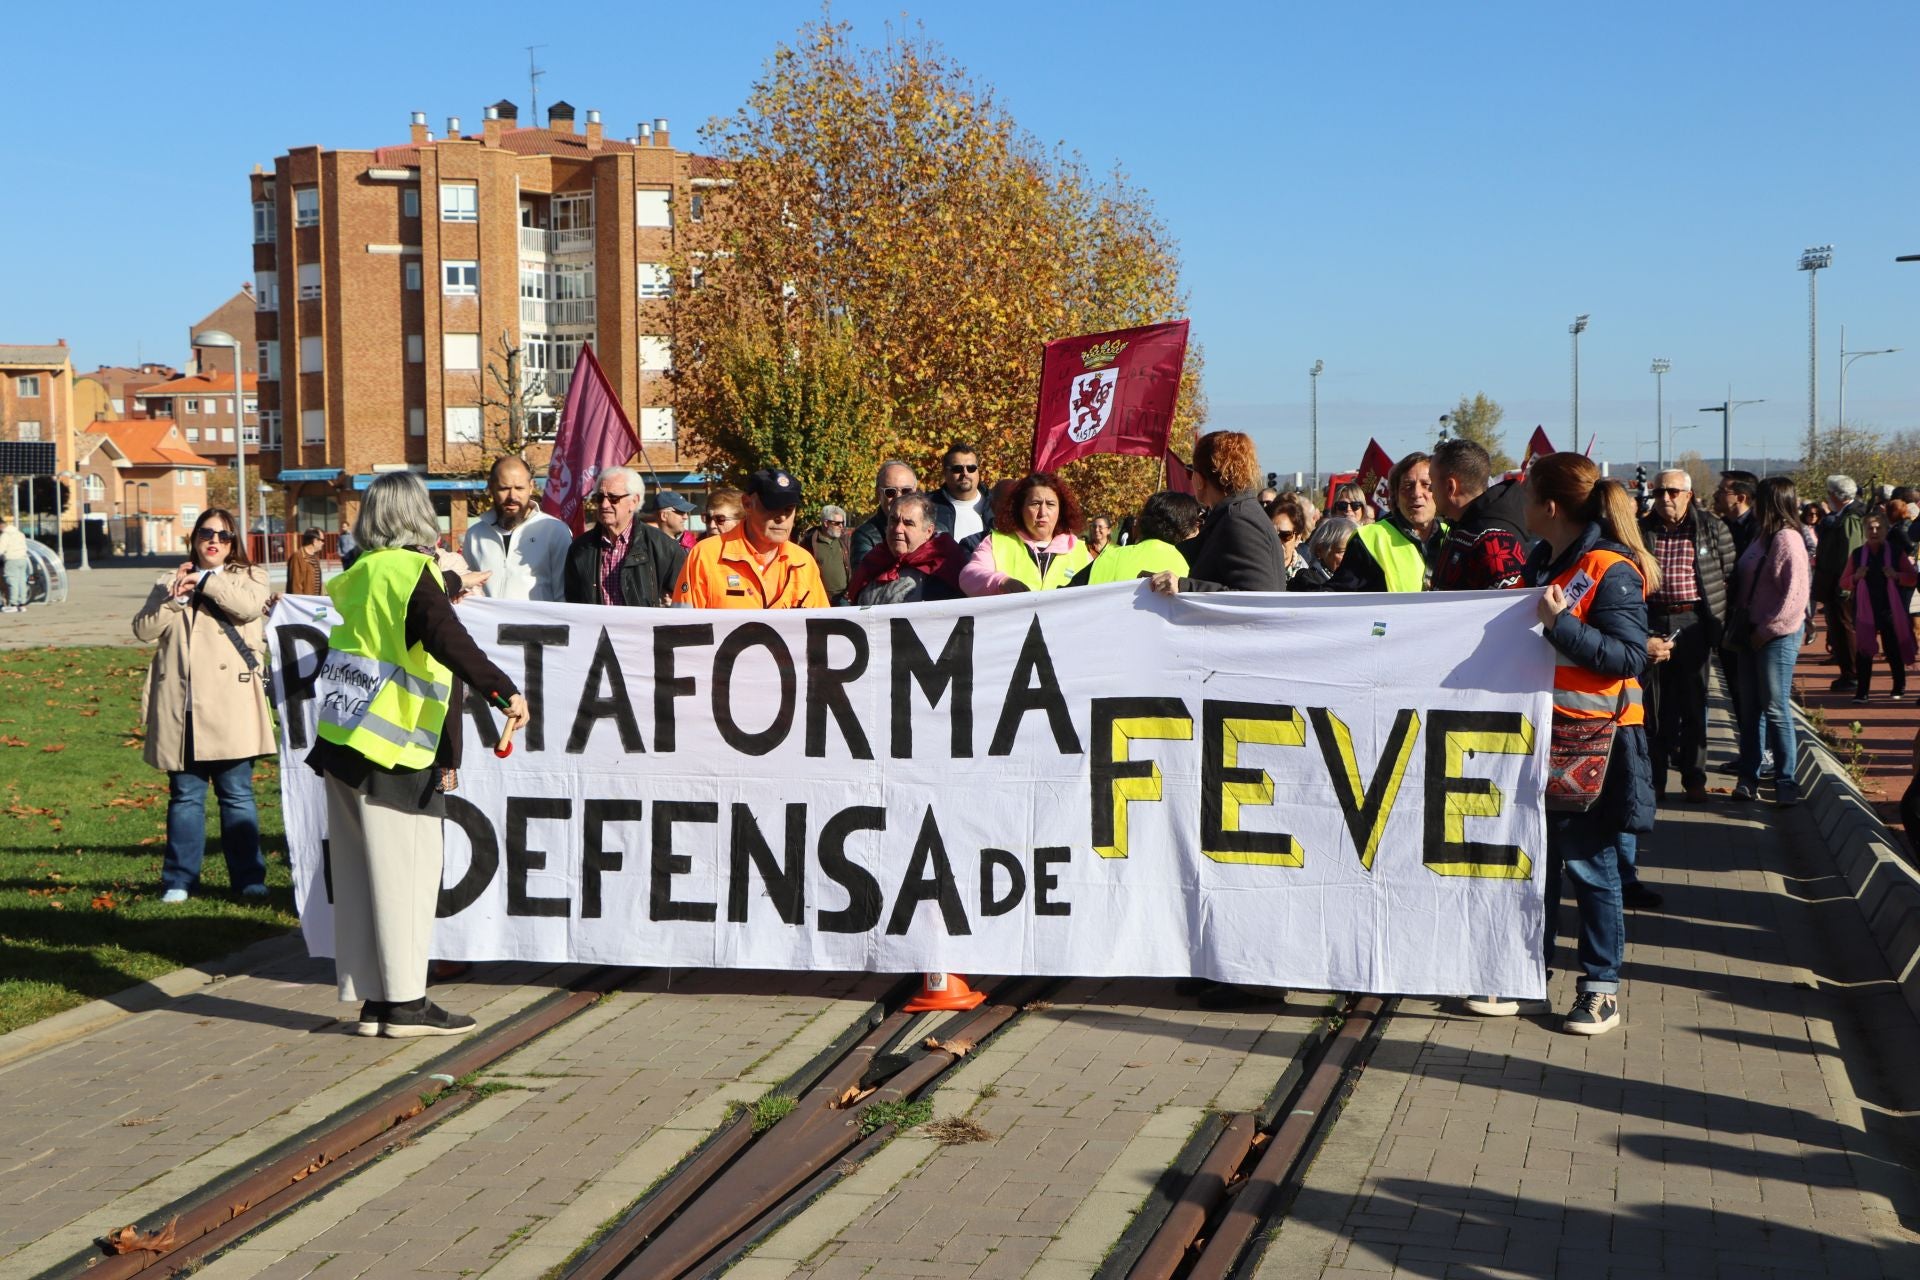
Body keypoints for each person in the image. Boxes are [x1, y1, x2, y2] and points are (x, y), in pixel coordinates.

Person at [307, 472, 528, 1037]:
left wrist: (445, 589)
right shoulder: (413, 573)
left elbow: (394, 632)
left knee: (361, 879)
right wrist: (505, 692)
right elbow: (445, 640)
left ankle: (374, 1001)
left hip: (343, 745)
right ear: (417, 516)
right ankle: (407, 1004)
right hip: (397, 749)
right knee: (407, 875)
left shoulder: (359, 572)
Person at [1470, 452, 1656, 1035]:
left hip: (1598, 743)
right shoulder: (1546, 560)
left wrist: (1561, 626)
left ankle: (1600, 988)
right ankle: (1530, 976)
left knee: (1592, 867)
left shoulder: (1609, 568)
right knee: (1541, 864)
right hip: (1545, 735)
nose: (1522, 509)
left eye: (1528, 498)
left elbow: (1630, 657)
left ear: (1550, 506)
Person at [131, 507, 275, 903]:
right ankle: (178, 881)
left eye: (224, 536)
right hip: (181, 707)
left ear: (233, 545)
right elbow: (143, 630)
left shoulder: (251, 577)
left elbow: (247, 609)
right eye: (206, 533)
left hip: (231, 705)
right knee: (185, 798)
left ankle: (249, 878)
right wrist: (174, 599)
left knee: (237, 795)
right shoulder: (168, 580)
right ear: (194, 538)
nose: (214, 541)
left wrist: (207, 581)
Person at [1637, 470, 1737, 803]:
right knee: (1657, 706)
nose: (1665, 498)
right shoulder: (1643, 529)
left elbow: (1729, 574)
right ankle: (1657, 780)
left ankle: (1695, 779)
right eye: (1660, 491)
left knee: (1695, 705)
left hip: (1693, 622)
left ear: (1688, 495)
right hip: (1654, 620)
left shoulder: (1710, 527)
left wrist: (1718, 624)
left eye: (1673, 492)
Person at [1730, 476, 1812, 804]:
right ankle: (1749, 776)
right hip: (1751, 633)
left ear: (1768, 502)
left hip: (1776, 636)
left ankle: (1785, 781)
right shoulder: (1761, 537)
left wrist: (1766, 631)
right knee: (1750, 710)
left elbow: (1795, 597)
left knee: (1775, 708)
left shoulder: (1787, 539)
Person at [1145, 431, 1286, 595]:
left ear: (1199, 479)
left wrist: (1183, 587)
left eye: (1190, 472)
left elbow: (1256, 597)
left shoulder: (1239, 520)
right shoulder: (1238, 513)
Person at [674, 468, 830, 608]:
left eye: (789, 509)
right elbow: (682, 629)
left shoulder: (803, 562)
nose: (782, 517)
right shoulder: (705, 556)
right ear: (747, 504)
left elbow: (822, 628)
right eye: (771, 507)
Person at [562, 466, 686, 607]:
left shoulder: (664, 548)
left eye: (613, 498)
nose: (604, 504)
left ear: (634, 501)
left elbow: (682, 602)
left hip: (641, 629)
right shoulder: (580, 549)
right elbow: (572, 604)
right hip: (595, 629)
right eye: (600, 497)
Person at [959, 471, 1092, 594]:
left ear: (1060, 510)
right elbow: (968, 577)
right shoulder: (996, 542)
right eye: (1035, 503)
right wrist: (1001, 582)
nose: (1043, 512)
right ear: (1020, 509)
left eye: (1050, 504)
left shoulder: (1079, 551)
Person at [1333, 451, 1448, 592]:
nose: (1417, 493)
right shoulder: (1367, 539)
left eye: (1426, 485)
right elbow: (1338, 599)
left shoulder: (1454, 537)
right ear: (1395, 496)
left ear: (1440, 492)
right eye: (1407, 486)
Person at [462, 456, 570, 601]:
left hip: (541, 623)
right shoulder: (475, 535)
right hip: (489, 623)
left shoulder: (555, 531)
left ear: (531, 487)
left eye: (519, 488)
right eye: (504, 488)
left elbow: (564, 595)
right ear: (491, 487)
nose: (512, 496)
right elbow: (469, 591)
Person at [1429, 439, 1530, 591]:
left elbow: (1509, 608)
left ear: (1451, 487)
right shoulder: (1461, 524)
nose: (1430, 488)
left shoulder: (1495, 542)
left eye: (1431, 480)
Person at [1839, 511, 1918, 702]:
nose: (1874, 531)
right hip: (1865, 608)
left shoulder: (1896, 552)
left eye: (1878, 528)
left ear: (1885, 529)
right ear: (1865, 530)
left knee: (1892, 647)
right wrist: (1856, 577)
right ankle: (1862, 691)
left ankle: (1898, 685)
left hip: (1890, 607)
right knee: (1864, 650)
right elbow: (1844, 582)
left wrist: (1897, 575)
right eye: (1870, 528)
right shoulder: (1857, 554)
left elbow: (1913, 578)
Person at [846, 493, 968, 605]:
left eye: (908, 523)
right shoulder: (874, 560)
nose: (898, 529)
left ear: (928, 531)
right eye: (893, 520)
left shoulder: (944, 567)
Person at [1069, 490, 1201, 586]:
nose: (1198, 531)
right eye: (1196, 525)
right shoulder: (1192, 572)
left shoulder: (1109, 557)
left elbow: (1064, 598)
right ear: (1185, 529)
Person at [1812, 475, 1868, 690]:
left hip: (1843, 585)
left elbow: (1849, 554)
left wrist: (1845, 587)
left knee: (1845, 628)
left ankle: (1852, 674)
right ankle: (1848, 673)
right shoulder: (1844, 516)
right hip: (1837, 582)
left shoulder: (1851, 518)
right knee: (1839, 628)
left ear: (1835, 495)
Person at [850, 460, 921, 564]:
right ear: (878, 494)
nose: (899, 498)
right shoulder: (865, 537)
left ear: (916, 492)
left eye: (906, 491)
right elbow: (865, 577)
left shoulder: (936, 529)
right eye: (890, 492)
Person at [928, 441, 993, 547]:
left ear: (978, 471)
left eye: (971, 468)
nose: (965, 473)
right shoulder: (927, 506)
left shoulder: (997, 506)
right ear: (945, 472)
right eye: (957, 469)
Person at [1291, 517, 1357, 592]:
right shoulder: (1307, 582)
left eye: (1355, 552)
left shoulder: (1359, 581)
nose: (1350, 557)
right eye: (1342, 552)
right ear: (1320, 551)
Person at [802, 504, 852, 602]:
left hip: (843, 597)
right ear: (826, 523)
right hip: (820, 598)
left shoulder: (844, 541)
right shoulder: (810, 543)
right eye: (837, 523)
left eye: (842, 523)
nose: (841, 526)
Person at [1714, 470, 1759, 556]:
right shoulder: (1719, 525)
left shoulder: (1758, 530)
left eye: (1722, 491)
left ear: (1740, 498)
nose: (1715, 495)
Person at [1266, 496, 1307, 581]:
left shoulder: (1309, 580)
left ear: (1297, 539)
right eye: (1271, 534)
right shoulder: (1251, 571)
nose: (1277, 541)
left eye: (1285, 535)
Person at [0, 514, 29, 612]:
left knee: (12, 581)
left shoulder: (5, 535)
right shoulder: (20, 533)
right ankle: (22, 604)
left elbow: (1, 548)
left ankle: (13, 604)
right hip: (23, 559)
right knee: (22, 581)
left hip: (12, 559)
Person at [287, 528, 327, 596]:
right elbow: (295, 585)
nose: (323, 543)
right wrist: (301, 603)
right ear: (314, 541)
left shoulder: (315, 558)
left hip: (314, 601)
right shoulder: (298, 557)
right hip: (304, 603)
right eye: (322, 540)